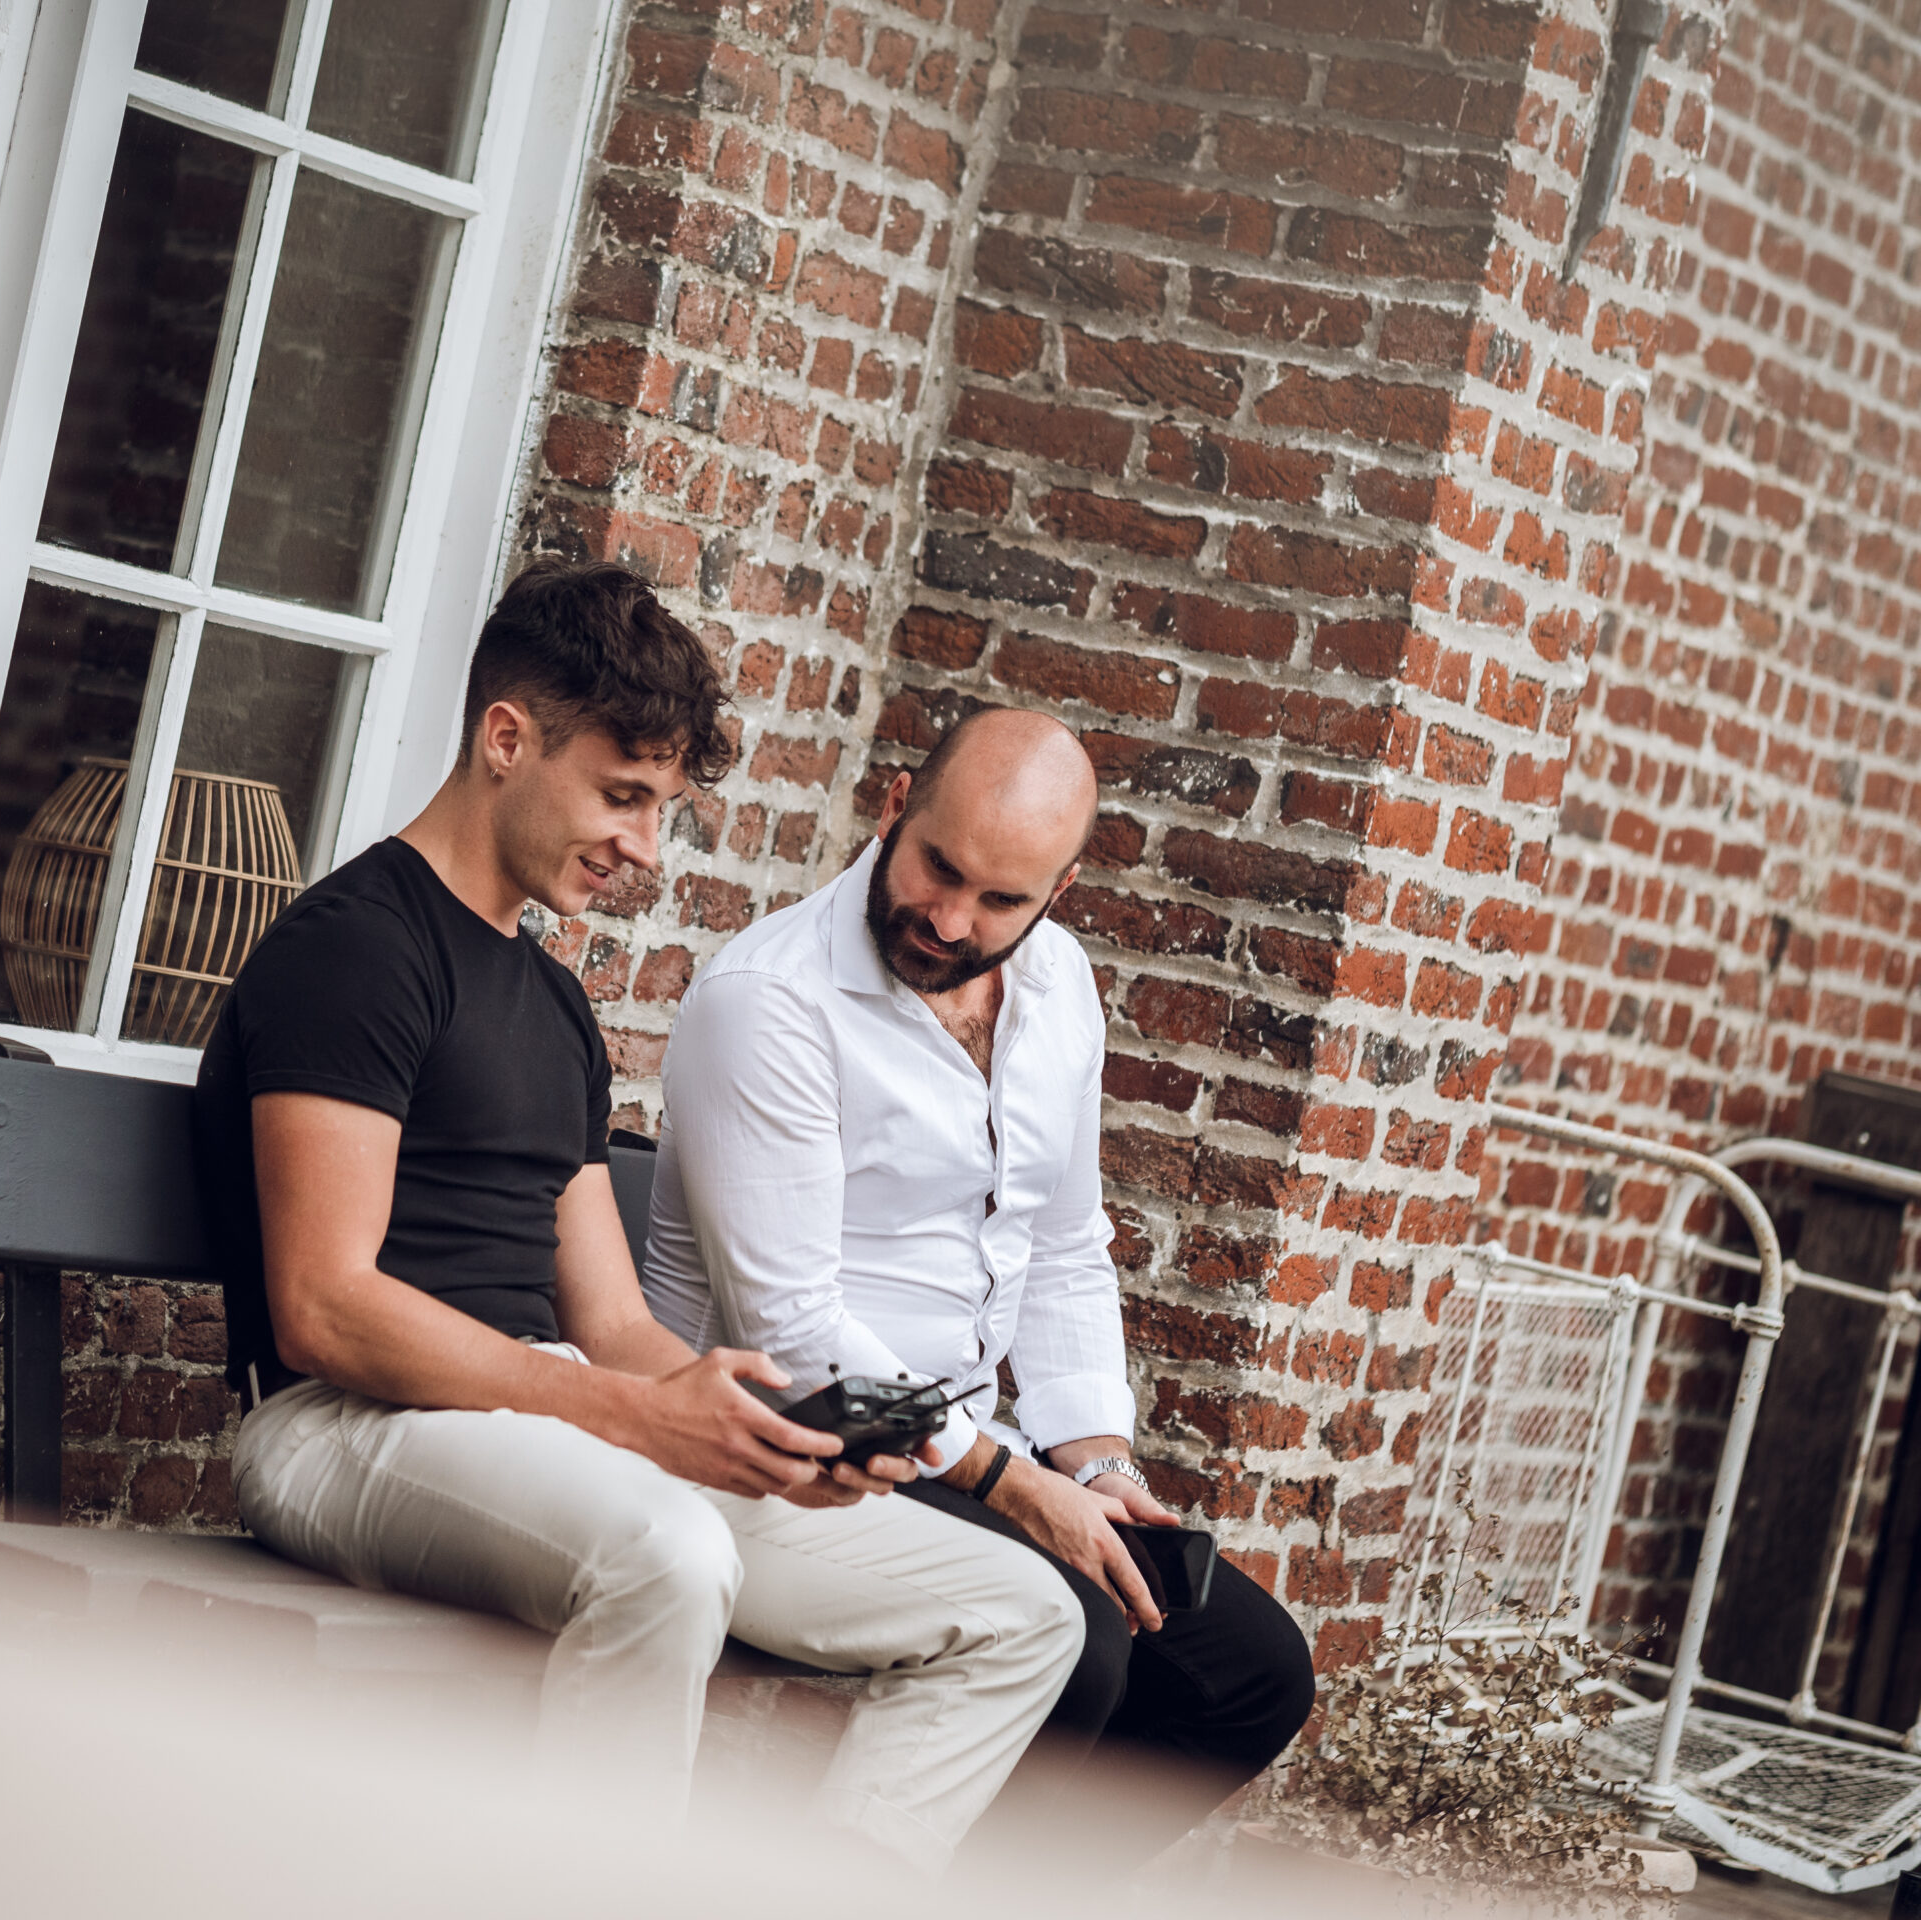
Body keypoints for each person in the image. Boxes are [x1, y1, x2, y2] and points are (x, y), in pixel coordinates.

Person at [191, 561, 1082, 1872]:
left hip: (543, 1421)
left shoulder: (554, 1007)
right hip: (343, 1428)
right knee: (667, 1551)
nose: (646, 848)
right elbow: (325, 1309)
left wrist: (769, 1435)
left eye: (660, 808)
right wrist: (627, 1416)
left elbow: (610, 1323)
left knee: (1019, 1613)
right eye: (623, 796)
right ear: (507, 739)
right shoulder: (356, 949)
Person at [643, 706, 1316, 1873]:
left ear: (1062, 887)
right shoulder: (769, 998)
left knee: (1247, 1672)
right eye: (938, 869)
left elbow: (1063, 1246)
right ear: (895, 805)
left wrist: (1095, 1468)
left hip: (951, 1447)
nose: (951, 922)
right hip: (788, 1442)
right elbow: (790, 1330)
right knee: (1081, 1637)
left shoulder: (1058, 988)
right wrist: (1015, 1486)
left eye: (1000, 899)